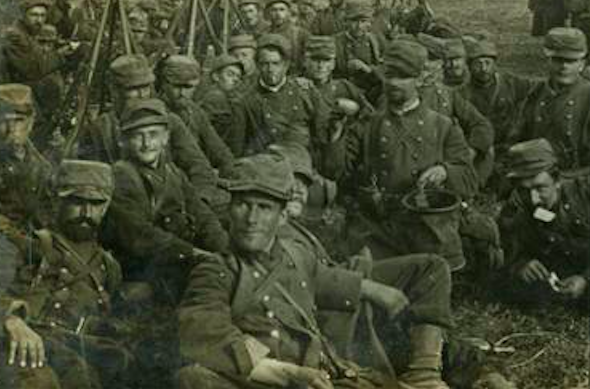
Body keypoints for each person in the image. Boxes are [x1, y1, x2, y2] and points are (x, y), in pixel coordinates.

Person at [176, 152, 456, 389]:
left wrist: (376, 290)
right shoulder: (216, 271)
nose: (251, 219)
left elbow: (324, 279)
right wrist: (287, 373)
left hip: (330, 374)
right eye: (243, 206)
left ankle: (428, 373)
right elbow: (207, 335)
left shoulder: (296, 255)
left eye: (264, 208)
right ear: (229, 211)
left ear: (282, 215)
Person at [319, 39, 478, 270]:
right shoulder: (368, 125)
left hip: (426, 221)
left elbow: (469, 179)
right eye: (388, 75)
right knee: (365, 273)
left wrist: (444, 170)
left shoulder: (442, 126)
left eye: (402, 76)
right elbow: (333, 171)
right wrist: (336, 135)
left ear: (419, 79)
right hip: (377, 223)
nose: (392, 82)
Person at [0, 160, 133, 389]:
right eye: (77, 202)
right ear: (58, 200)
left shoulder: (109, 268)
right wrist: (10, 319)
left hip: (78, 355)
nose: (86, 213)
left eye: (96, 204)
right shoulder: (28, 246)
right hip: (26, 349)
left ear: (106, 206)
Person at [101, 99, 229, 303]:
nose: (146, 143)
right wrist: (193, 253)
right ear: (123, 141)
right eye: (137, 136)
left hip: (176, 263)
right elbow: (140, 235)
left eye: (153, 134)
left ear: (166, 138)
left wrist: (225, 249)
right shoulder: (121, 175)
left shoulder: (174, 173)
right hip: (140, 271)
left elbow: (203, 216)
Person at [79, 54, 221, 203]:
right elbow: (90, 180)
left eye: (145, 87)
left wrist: (199, 202)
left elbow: (199, 167)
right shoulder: (100, 130)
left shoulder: (170, 121)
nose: (141, 95)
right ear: (115, 91)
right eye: (133, 88)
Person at [499, 138, 590, 307]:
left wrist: (586, 279)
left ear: (557, 181)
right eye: (524, 190)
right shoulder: (515, 208)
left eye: (540, 188)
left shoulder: (585, 193)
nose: (534, 199)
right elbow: (504, 248)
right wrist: (521, 264)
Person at [240, 33, 333, 160]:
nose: (270, 69)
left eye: (275, 63)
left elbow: (324, 133)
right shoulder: (248, 98)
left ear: (285, 65)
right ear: (257, 66)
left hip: (304, 163)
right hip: (267, 165)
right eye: (265, 64)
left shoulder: (304, 91)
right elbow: (239, 143)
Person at [517, 27, 590, 174]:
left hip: (578, 179)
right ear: (548, 60)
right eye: (558, 60)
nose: (564, 67)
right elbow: (520, 136)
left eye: (571, 61)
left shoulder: (587, 96)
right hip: (536, 174)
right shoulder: (536, 93)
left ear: (582, 63)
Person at [459, 36, 537, 165]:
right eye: (478, 64)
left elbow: (539, 89)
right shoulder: (462, 94)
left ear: (494, 64)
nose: (483, 68)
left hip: (509, 146)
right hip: (478, 149)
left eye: (487, 63)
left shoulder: (511, 83)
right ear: (469, 66)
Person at [157, 55, 235, 178]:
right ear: (164, 84)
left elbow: (219, 149)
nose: (182, 93)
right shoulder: (155, 113)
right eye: (177, 86)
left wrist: (227, 168)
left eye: (188, 87)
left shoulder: (195, 112)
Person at [0, 83, 52, 231]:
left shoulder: (41, 165)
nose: (13, 128)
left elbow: (45, 210)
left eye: (19, 120)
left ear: (31, 121)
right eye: (5, 120)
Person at [199, 54, 248, 157]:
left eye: (238, 77)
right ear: (216, 76)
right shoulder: (214, 98)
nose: (235, 80)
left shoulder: (231, 100)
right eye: (230, 74)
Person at [334, 2, 383, 101]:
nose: (359, 26)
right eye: (354, 21)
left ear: (369, 23)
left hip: (370, 91)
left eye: (363, 21)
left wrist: (367, 69)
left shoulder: (375, 40)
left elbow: (385, 69)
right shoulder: (336, 41)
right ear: (346, 22)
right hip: (343, 91)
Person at [262, 0, 310, 74]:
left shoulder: (300, 34)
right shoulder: (264, 34)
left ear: (288, 12)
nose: (278, 14)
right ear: (269, 13)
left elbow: (308, 60)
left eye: (282, 10)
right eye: (274, 10)